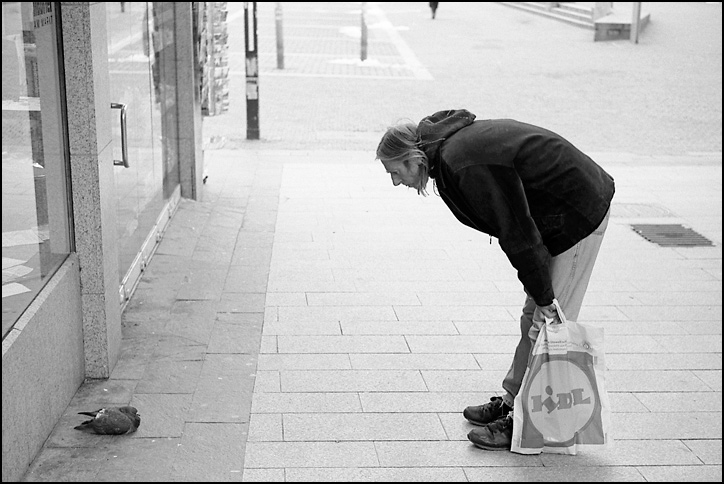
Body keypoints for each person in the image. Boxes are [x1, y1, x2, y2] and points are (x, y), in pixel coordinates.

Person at [376, 109, 614, 452]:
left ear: (413, 158)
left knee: (548, 323)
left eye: (395, 172)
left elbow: (514, 230)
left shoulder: (462, 163)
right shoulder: (448, 156)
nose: (396, 181)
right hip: (553, 215)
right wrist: (538, 290)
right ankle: (512, 398)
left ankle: (523, 420)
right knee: (531, 317)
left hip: (578, 212)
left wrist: (545, 296)